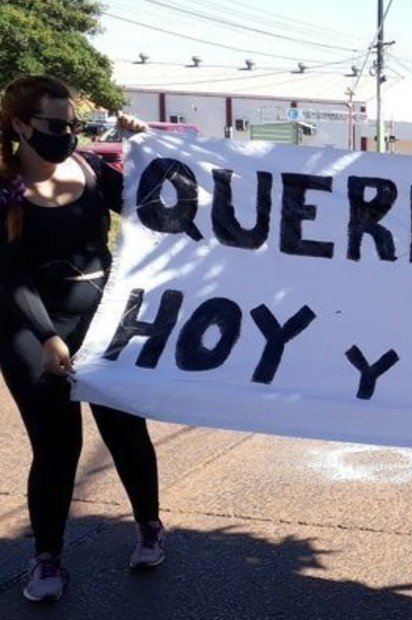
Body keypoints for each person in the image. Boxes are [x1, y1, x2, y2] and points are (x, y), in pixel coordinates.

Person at [0, 75, 166, 604]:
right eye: (55, 125)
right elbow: (9, 275)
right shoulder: (5, 187)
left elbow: (155, 205)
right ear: (21, 125)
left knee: (124, 428)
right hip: (30, 328)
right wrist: (48, 337)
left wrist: (147, 151)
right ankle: (47, 558)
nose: (68, 134)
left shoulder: (91, 167)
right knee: (56, 446)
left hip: (104, 316)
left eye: (73, 124)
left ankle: (149, 526)